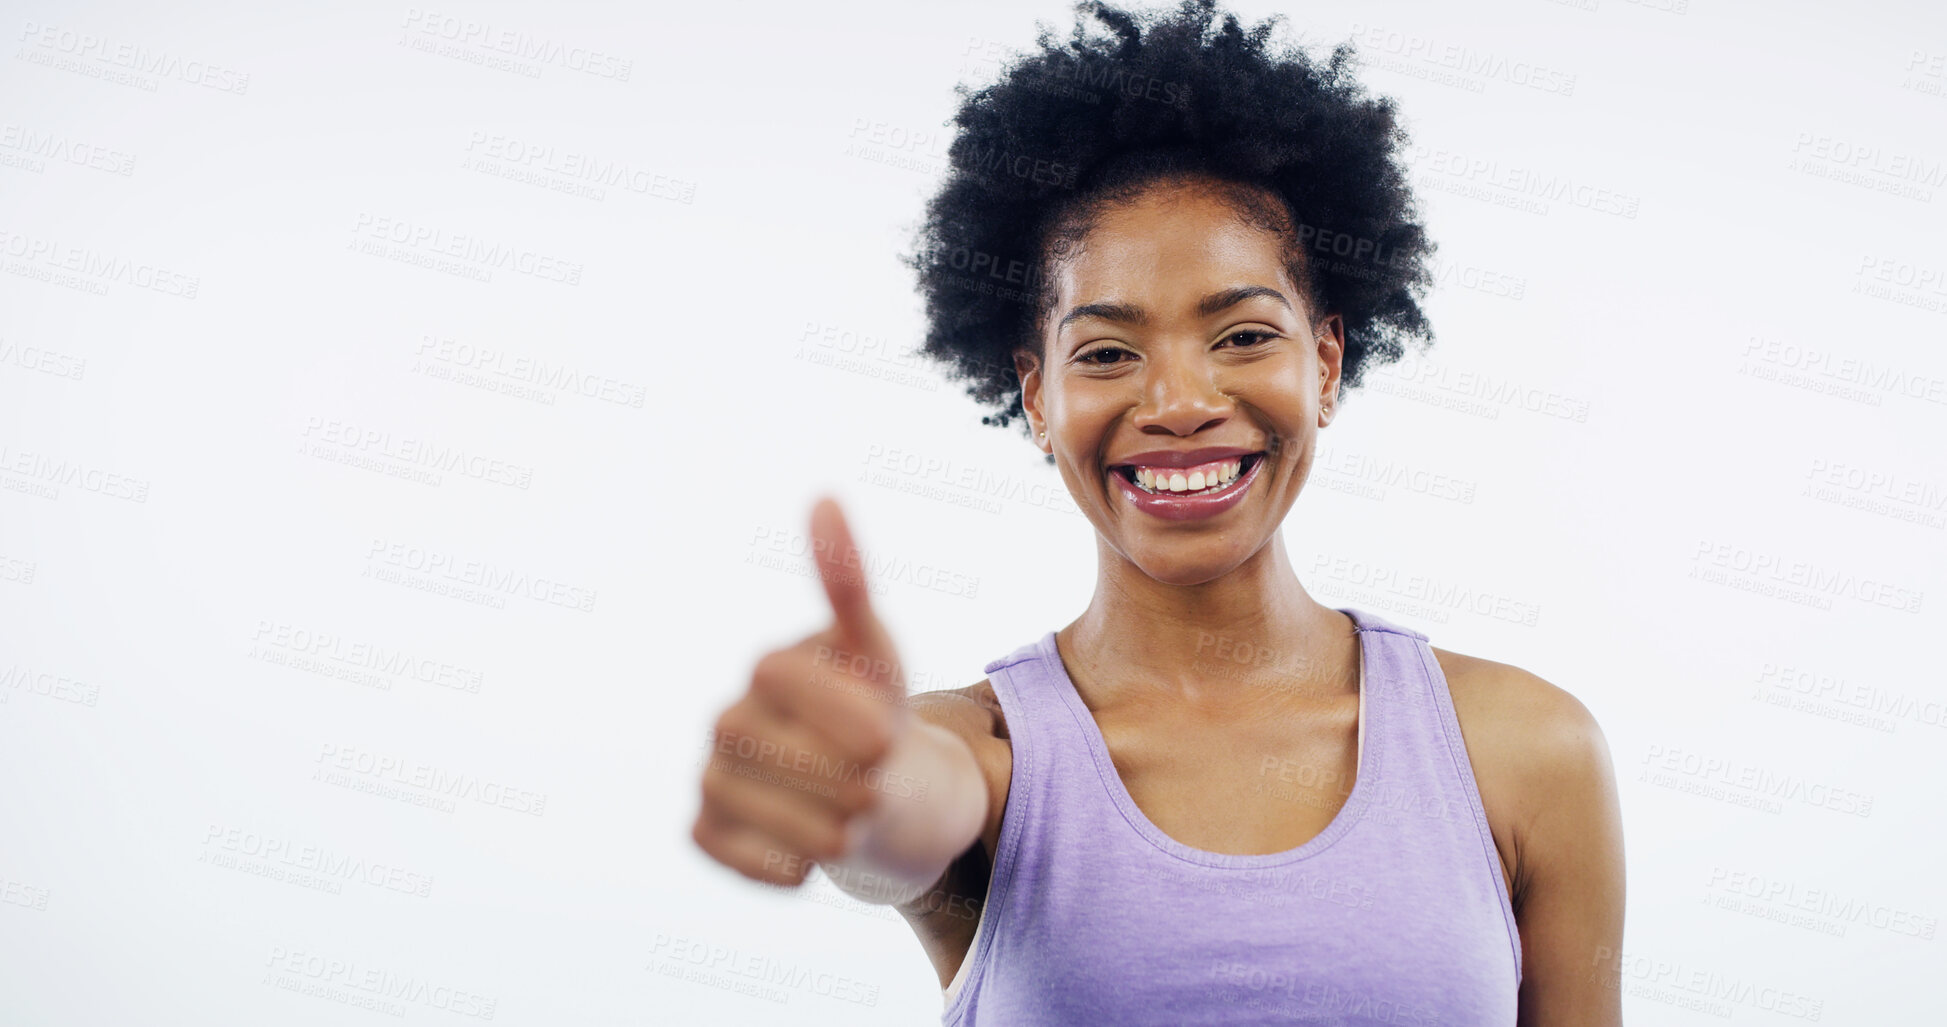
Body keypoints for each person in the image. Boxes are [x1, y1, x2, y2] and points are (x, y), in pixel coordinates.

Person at [693, 1, 1626, 1023]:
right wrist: (850, 788)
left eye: (1240, 336)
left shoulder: (1524, 749)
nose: (1180, 402)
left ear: (1324, 362)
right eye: (1106, 352)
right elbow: (906, 814)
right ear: (1038, 395)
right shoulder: (991, 751)